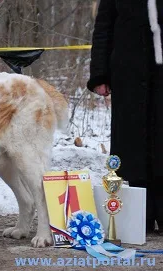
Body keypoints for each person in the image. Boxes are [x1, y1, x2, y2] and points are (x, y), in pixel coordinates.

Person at [87, 0, 163, 234]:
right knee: (131, 143)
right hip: (128, 75)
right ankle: (138, 216)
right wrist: (100, 74)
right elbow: (103, 29)